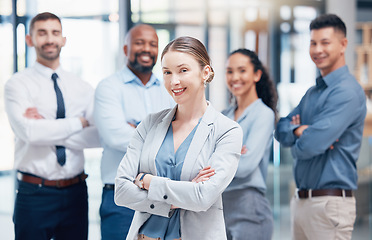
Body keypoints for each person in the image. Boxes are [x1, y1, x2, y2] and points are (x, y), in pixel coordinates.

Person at [114, 36, 243, 240]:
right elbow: (121, 191)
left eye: (183, 70)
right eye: (167, 72)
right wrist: (177, 198)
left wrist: (147, 181)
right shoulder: (149, 124)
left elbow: (203, 197)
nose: (174, 81)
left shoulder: (227, 131)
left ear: (205, 72)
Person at [4, 12, 100, 240]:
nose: (49, 39)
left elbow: (97, 136)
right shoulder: (17, 84)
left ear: (63, 39)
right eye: (42, 33)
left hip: (76, 192)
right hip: (34, 193)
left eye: (55, 33)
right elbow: (28, 132)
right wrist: (79, 122)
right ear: (30, 39)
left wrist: (45, 129)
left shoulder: (83, 87)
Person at [275, 14, 366, 240]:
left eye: (325, 42)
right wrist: (299, 130)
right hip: (302, 202)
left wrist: (302, 140)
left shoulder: (346, 92)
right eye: (313, 43)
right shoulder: (313, 93)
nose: (317, 49)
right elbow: (280, 129)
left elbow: (309, 145)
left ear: (343, 44)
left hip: (330, 205)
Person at [94, 24, 174, 240]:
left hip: (162, 194)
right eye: (139, 43)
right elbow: (115, 136)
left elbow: (182, 133)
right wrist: (164, 134)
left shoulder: (169, 89)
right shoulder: (108, 87)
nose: (146, 48)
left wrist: (137, 129)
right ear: (125, 48)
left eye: (153, 44)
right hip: (121, 197)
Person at [222, 48, 277, 240]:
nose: (235, 77)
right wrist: (232, 153)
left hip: (249, 206)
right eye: (229, 71)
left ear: (256, 74)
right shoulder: (223, 116)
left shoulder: (263, 114)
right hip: (219, 208)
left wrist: (217, 155)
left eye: (242, 70)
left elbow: (245, 166)